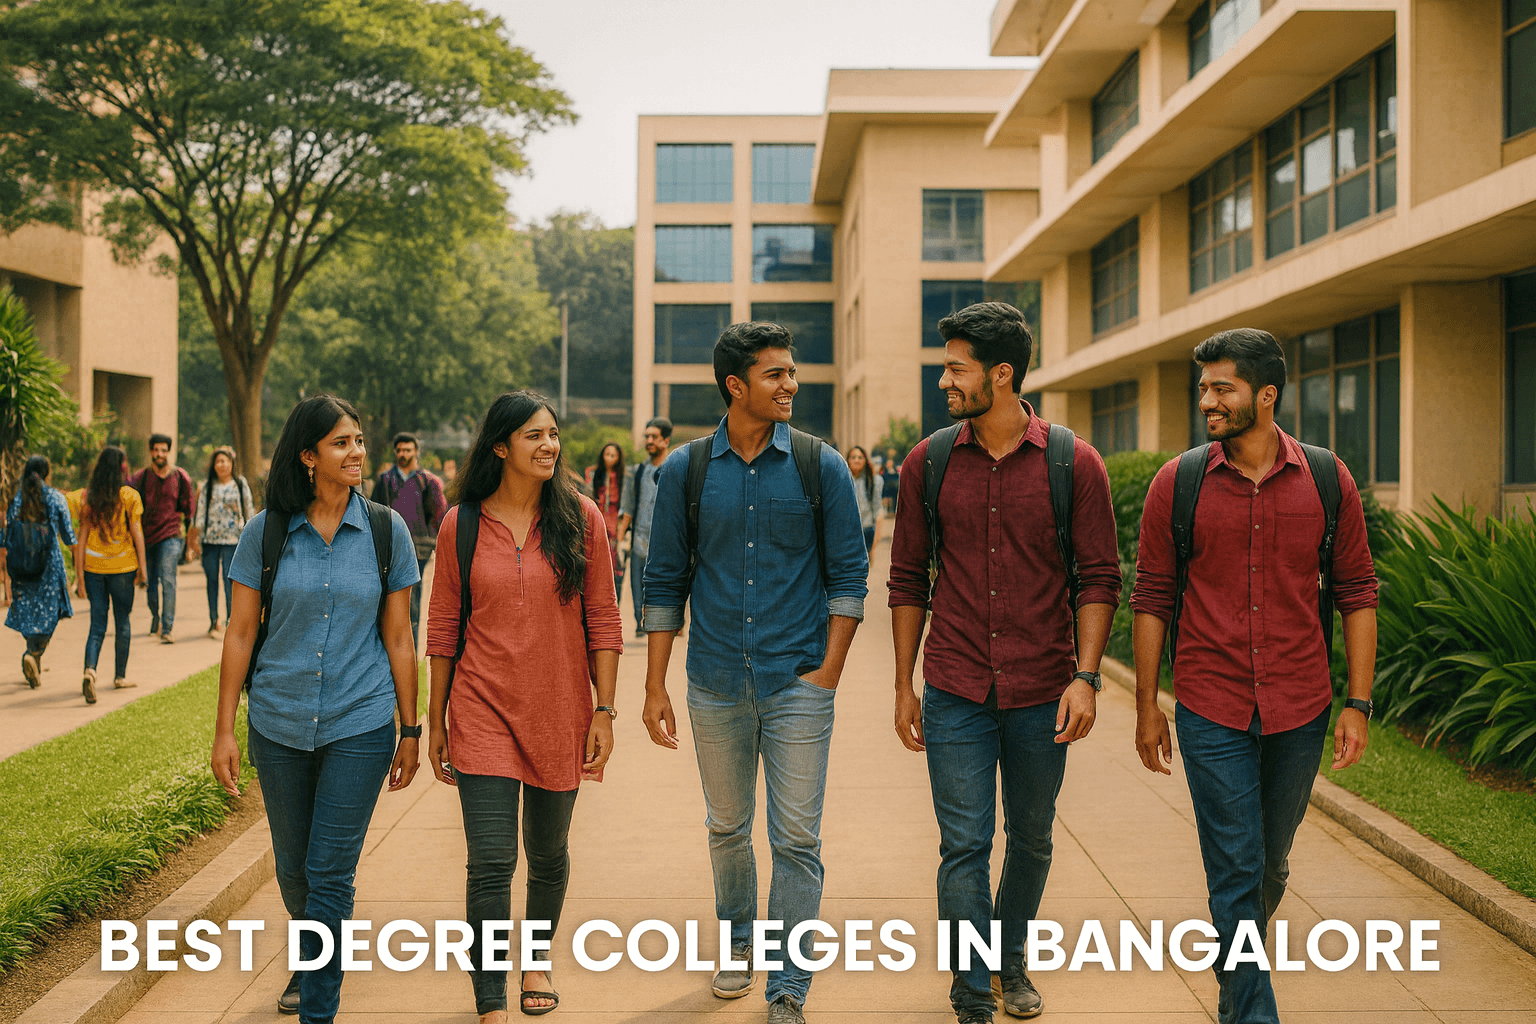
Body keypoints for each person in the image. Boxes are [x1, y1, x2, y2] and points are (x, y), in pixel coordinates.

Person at [1131, 329, 1378, 1024]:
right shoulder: (1178, 483)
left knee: (1269, 866)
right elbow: (1151, 597)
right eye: (1203, 387)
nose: (1206, 400)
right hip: (1211, 704)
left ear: (1265, 396)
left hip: (1301, 705)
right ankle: (1251, 1011)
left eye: (1222, 388)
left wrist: (1358, 700)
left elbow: (1358, 590)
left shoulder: (1327, 479)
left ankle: (1233, 960)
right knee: (1236, 866)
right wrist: (1148, 704)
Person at [888, 302, 1121, 1024]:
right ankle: (970, 996)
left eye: (956, 369)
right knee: (963, 845)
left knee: (1032, 837)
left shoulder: (1071, 462)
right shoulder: (927, 463)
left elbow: (1100, 577)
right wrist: (903, 683)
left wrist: (1086, 677)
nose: (944, 382)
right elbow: (907, 578)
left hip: (1042, 686)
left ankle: (1008, 958)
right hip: (955, 682)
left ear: (1002, 373)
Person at [641, 322, 868, 1024]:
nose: (791, 385)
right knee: (728, 826)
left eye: (793, 373)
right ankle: (738, 943)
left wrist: (827, 671)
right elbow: (663, 580)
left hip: (798, 681)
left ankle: (788, 983)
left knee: (797, 838)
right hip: (713, 682)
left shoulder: (818, 463)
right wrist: (653, 686)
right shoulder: (686, 469)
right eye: (777, 374)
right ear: (736, 386)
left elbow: (849, 577)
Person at [210, 394, 421, 1024]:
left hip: (360, 721)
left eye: (358, 440)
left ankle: (317, 1008)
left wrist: (411, 729)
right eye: (341, 443)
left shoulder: (387, 530)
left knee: (329, 872)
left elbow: (400, 638)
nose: (357, 452)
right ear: (308, 457)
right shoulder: (266, 531)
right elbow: (240, 634)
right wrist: (225, 728)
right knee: (294, 870)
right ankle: (316, 958)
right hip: (277, 722)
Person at [425, 390, 623, 1020]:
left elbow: (604, 618)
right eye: (534, 435)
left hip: (558, 709)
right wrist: (435, 720)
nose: (549, 446)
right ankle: (489, 998)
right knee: (489, 860)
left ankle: (534, 959)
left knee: (547, 853)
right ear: (501, 446)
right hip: (481, 706)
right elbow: (443, 625)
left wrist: (604, 711)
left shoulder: (581, 518)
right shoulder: (461, 524)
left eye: (554, 434)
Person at [67, 447, 147, 703]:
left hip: (93, 569)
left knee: (97, 624)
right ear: (121, 467)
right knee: (122, 622)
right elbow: (137, 535)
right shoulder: (129, 496)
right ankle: (119, 676)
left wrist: (79, 577)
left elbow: (81, 540)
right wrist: (144, 569)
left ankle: (90, 671)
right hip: (123, 569)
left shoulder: (87, 497)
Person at [2, 456, 76, 687]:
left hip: (21, 565)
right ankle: (33, 654)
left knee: (27, 613)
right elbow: (67, 535)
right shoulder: (55, 498)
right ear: (47, 473)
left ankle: (33, 658)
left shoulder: (17, 500)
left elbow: (5, 535)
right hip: (49, 565)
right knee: (51, 614)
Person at [370, 432, 448, 644]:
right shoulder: (385, 481)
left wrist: (429, 538)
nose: (403, 454)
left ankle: (411, 653)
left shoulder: (428, 481)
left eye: (407, 450)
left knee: (412, 601)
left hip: (419, 550)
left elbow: (440, 514)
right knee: (388, 599)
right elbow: (373, 512)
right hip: (390, 549)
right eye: (399, 450)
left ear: (416, 452)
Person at [130, 433, 195, 643]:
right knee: (150, 583)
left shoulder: (180, 477)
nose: (159, 454)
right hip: (147, 538)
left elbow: (189, 511)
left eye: (163, 450)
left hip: (171, 536)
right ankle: (156, 617)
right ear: (151, 451)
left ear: (169, 452)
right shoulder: (141, 478)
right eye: (156, 450)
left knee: (168, 580)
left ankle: (167, 628)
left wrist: (189, 545)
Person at [187, 446, 254, 639]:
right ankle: (213, 620)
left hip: (233, 541)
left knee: (229, 580)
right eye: (218, 461)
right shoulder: (207, 486)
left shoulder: (240, 484)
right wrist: (195, 540)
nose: (221, 465)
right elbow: (199, 514)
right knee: (211, 581)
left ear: (232, 463)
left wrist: (251, 538)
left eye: (225, 461)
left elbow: (249, 511)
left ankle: (230, 622)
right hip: (210, 541)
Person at [616, 416, 672, 637]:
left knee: (664, 586)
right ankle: (641, 622)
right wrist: (620, 541)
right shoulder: (637, 472)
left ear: (665, 441)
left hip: (666, 541)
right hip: (639, 539)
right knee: (637, 586)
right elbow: (627, 507)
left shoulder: (675, 469)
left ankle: (664, 622)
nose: (649, 441)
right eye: (647, 436)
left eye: (654, 437)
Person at [584, 442, 627, 596]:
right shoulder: (594, 474)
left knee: (616, 558)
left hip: (615, 521)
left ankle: (614, 592)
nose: (609, 458)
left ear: (618, 458)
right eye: (607, 454)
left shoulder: (623, 477)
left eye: (613, 455)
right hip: (598, 517)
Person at [844, 445, 884, 555]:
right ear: (847, 460)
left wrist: (875, 543)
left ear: (865, 460)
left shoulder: (874, 481)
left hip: (867, 531)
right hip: (847, 533)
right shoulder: (842, 481)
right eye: (853, 457)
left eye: (860, 457)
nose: (856, 460)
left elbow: (878, 509)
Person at [881, 446, 901, 514]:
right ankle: (888, 510)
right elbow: (884, 479)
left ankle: (894, 509)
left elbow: (897, 477)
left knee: (895, 493)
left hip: (894, 488)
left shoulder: (895, 470)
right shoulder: (884, 471)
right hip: (887, 488)